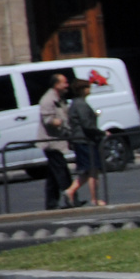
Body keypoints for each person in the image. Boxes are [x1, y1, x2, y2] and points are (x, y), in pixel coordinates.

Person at [62, 77, 105, 207]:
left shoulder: (77, 103)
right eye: (87, 87)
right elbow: (86, 124)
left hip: (82, 140)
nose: (89, 90)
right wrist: (101, 133)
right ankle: (94, 199)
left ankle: (70, 191)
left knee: (87, 171)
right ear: (82, 90)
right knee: (93, 170)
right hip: (85, 140)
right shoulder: (81, 104)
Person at [37, 71, 73, 209]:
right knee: (62, 171)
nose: (67, 85)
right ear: (56, 85)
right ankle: (71, 198)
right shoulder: (47, 100)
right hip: (50, 142)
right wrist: (60, 122)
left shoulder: (60, 98)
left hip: (57, 141)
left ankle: (51, 204)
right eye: (64, 82)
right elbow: (48, 120)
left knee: (53, 175)